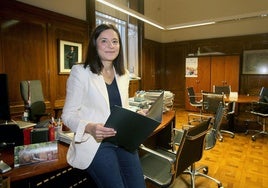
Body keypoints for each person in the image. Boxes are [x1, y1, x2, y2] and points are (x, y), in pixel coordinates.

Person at [61, 24, 146, 188]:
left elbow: (122, 108)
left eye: (115, 41)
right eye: (104, 41)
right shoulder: (81, 72)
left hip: (123, 140)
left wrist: (137, 114)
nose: (111, 46)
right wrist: (90, 127)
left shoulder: (124, 74)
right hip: (96, 143)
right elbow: (68, 115)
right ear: (95, 44)